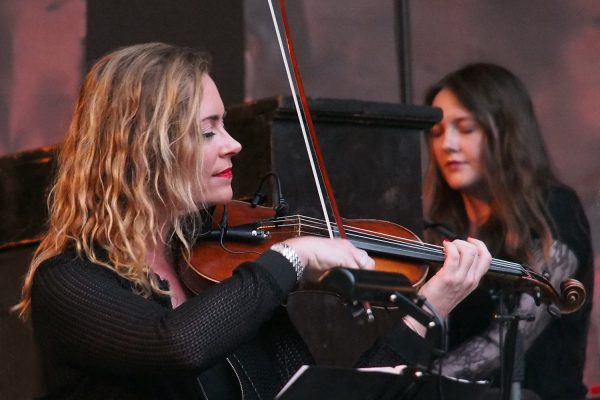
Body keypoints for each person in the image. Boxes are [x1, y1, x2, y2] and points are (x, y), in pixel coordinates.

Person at [13, 42, 491, 400]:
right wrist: (291, 256)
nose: (232, 143)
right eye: (206, 131)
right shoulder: (70, 280)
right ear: (141, 148)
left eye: (223, 124)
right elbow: (175, 347)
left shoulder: (221, 270)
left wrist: (428, 306)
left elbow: (318, 395)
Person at [422, 62, 594, 399]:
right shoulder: (444, 231)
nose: (448, 144)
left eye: (465, 128)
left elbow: (508, 340)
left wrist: (410, 383)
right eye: (437, 132)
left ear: (507, 131)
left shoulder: (553, 209)